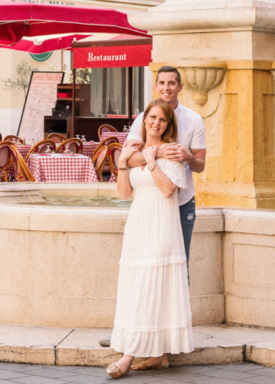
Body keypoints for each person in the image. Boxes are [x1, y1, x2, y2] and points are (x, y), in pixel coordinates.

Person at [101, 66, 206, 350]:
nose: (167, 87)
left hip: (181, 204)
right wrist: (157, 152)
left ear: (180, 87)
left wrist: (184, 155)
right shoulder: (142, 119)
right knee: (140, 270)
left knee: (176, 269)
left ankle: (171, 336)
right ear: (156, 85)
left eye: (172, 83)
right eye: (162, 82)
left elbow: (200, 165)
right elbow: (128, 157)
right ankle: (134, 330)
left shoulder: (194, 120)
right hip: (146, 208)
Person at [107, 99, 193, 378]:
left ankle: (128, 356)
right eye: (152, 117)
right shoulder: (135, 151)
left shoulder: (173, 152)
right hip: (139, 222)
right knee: (138, 285)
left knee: (150, 285)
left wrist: (153, 161)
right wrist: (122, 164)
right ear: (144, 120)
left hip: (162, 224)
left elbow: (169, 191)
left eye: (162, 119)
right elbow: (123, 194)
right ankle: (157, 355)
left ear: (169, 125)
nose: (156, 123)